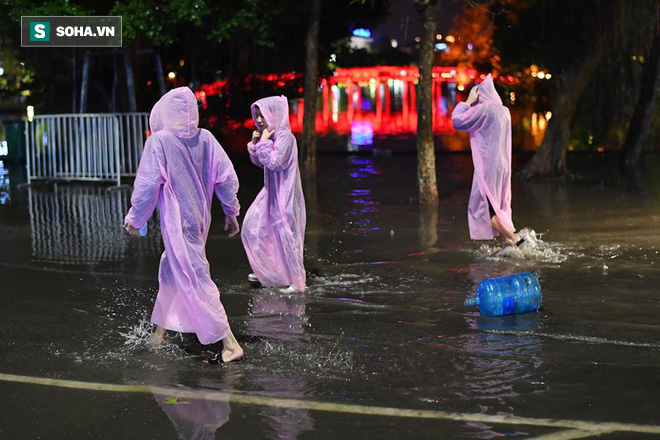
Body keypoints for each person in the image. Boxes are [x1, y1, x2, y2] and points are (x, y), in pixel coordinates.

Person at [124, 86, 243, 364]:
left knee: (195, 277)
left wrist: (134, 219)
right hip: (200, 219)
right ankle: (160, 334)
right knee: (171, 270)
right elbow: (226, 177)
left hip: (178, 222)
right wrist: (231, 211)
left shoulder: (160, 141)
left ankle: (229, 342)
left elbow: (146, 185)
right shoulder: (207, 139)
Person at [241, 96, 306, 293]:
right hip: (271, 191)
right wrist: (255, 145)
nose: (259, 120)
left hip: (283, 192)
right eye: (257, 115)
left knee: (285, 233)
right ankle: (270, 272)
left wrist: (263, 143)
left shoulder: (286, 137)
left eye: (263, 115)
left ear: (274, 113)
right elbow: (261, 162)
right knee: (253, 226)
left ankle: (296, 281)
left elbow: (274, 162)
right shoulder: (271, 136)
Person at [451, 74, 522, 247]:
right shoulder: (504, 111)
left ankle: (516, 239)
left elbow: (457, 120)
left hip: (488, 167)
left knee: (484, 209)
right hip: (503, 166)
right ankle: (508, 245)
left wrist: (467, 101)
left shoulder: (485, 110)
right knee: (500, 206)